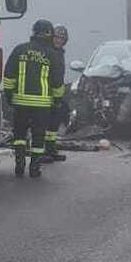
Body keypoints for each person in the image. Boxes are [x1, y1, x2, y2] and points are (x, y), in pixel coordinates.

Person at [2, 19, 65, 177]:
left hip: (20, 103)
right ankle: (34, 168)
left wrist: (9, 96)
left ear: (34, 32)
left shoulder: (20, 49)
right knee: (38, 137)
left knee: (19, 135)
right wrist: (57, 101)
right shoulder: (52, 54)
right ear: (49, 34)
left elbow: (9, 75)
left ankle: (19, 164)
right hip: (42, 105)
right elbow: (57, 82)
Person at [45, 25, 71, 161]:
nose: (58, 40)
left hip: (56, 93)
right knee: (46, 123)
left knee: (54, 124)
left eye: (61, 38)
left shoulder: (60, 53)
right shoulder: (48, 51)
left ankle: (50, 148)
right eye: (56, 37)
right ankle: (44, 151)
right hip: (46, 93)